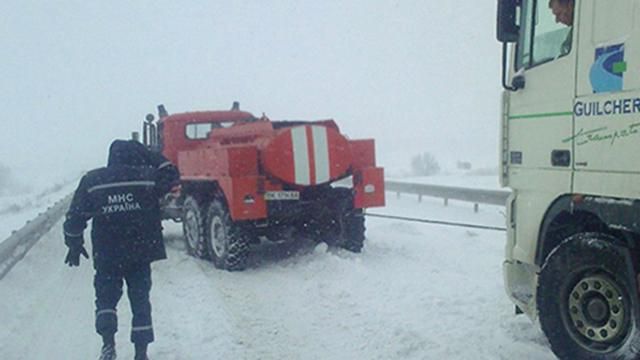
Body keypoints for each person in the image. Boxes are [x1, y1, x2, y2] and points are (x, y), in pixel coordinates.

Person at [63, 139, 179, 360]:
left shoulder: (93, 180)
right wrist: (150, 154)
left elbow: (75, 216)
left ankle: (108, 345)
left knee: (106, 299)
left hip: (107, 253)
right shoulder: (147, 177)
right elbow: (172, 174)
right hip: (140, 251)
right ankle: (141, 353)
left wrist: (74, 242)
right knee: (140, 300)